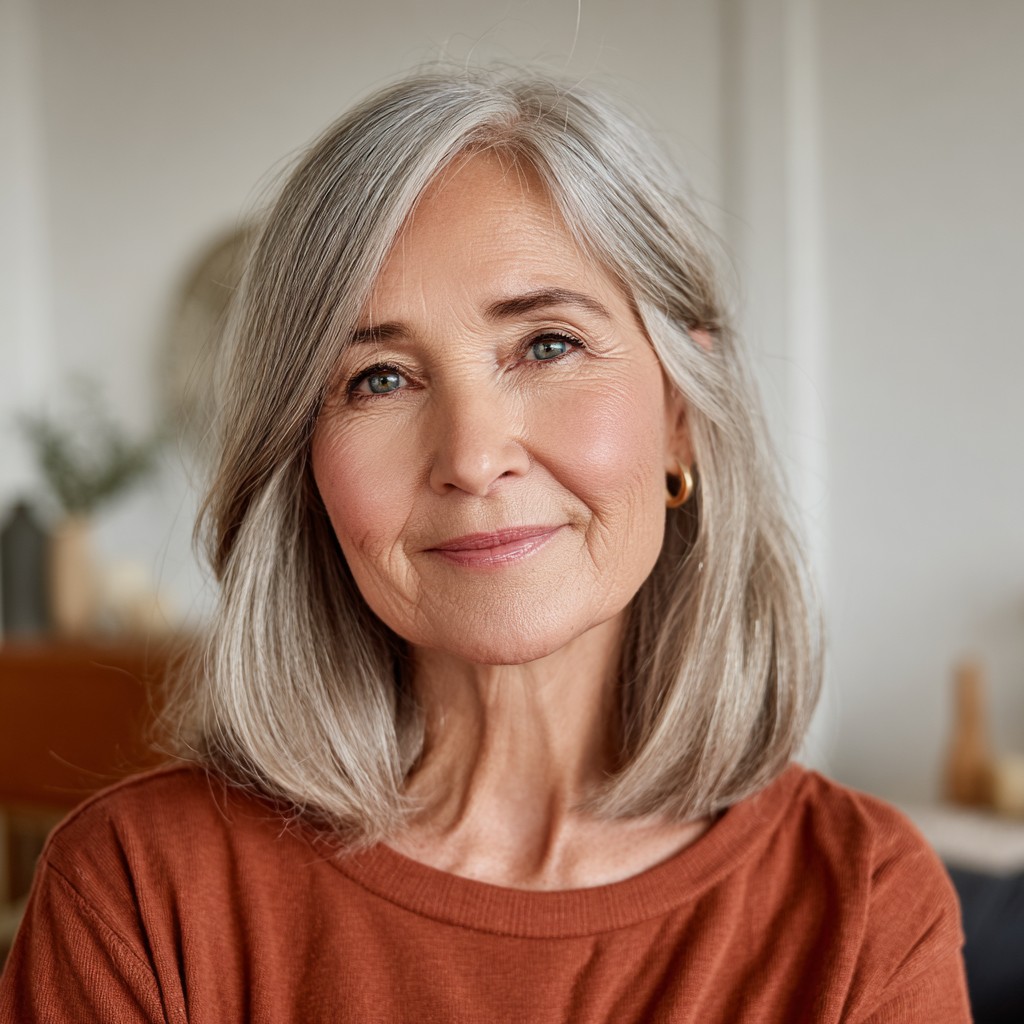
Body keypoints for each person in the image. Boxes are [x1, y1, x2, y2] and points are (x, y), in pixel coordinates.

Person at [0, 67, 970, 1022]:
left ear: (681, 411)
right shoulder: (136, 896)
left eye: (546, 344)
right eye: (378, 378)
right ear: (303, 462)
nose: (469, 457)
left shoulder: (860, 906)